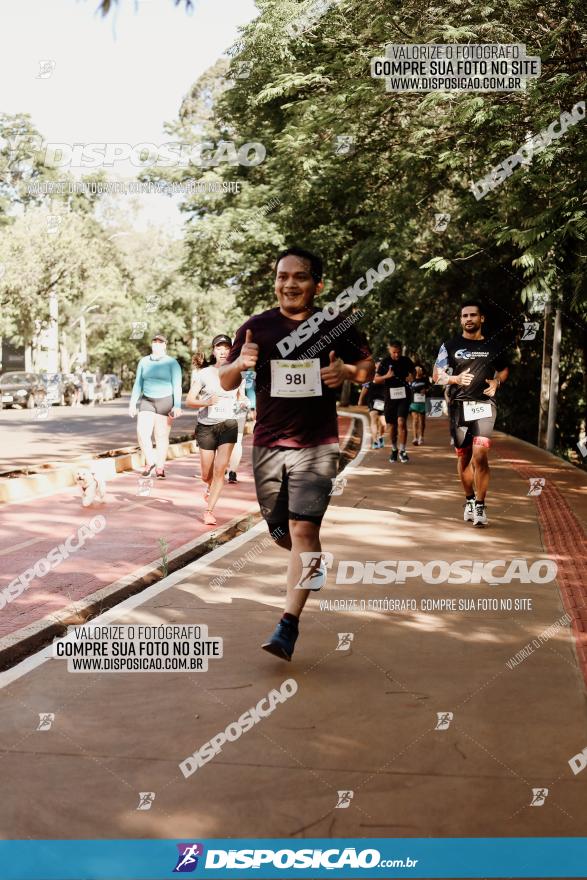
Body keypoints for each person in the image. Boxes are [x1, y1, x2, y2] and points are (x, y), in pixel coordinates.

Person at [219, 246, 374, 661]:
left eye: (300, 277)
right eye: (282, 276)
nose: (289, 284)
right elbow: (225, 381)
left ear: (316, 285)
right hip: (269, 444)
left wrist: (346, 373)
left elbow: (367, 368)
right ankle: (311, 564)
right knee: (279, 532)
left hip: (318, 445)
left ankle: (288, 623)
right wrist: (240, 364)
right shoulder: (255, 328)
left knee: (303, 530)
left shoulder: (336, 325)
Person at [433, 300, 509, 527]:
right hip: (459, 407)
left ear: (481, 319)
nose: (468, 319)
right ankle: (468, 499)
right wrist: (455, 378)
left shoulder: (494, 345)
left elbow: (504, 369)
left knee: (480, 455)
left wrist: (497, 381)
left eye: (473, 315)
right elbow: (436, 375)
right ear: (460, 320)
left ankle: (480, 504)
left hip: (484, 406)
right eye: (464, 316)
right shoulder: (450, 345)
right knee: (464, 457)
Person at [186, 334, 244, 525]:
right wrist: (207, 401)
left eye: (227, 348)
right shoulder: (204, 374)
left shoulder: (238, 373)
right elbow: (189, 400)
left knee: (220, 471)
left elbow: (240, 398)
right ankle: (209, 487)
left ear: (231, 351)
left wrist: (243, 403)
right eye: (219, 348)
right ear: (213, 351)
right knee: (206, 474)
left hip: (229, 424)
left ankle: (209, 511)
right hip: (206, 426)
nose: (223, 351)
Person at [129, 333, 183, 479]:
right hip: (147, 400)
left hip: (165, 401)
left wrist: (177, 405)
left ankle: (160, 467)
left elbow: (177, 386)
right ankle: (150, 461)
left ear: (165, 345)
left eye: (160, 342)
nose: (157, 344)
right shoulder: (144, 361)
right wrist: (132, 403)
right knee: (142, 432)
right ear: (152, 344)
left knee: (161, 436)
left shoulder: (172, 363)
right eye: (155, 342)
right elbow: (138, 383)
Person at [373, 340, 415, 463]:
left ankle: (402, 450)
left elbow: (413, 373)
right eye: (394, 352)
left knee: (401, 421)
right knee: (392, 426)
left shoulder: (406, 361)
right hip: (390, 397)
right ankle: (394, 449)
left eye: (399, 352)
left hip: (404, 395)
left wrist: (411, 377)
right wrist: (386, 376)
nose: (397, 355)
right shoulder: (385, 362)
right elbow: (376, 379)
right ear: (389, 350)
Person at [359, 361, 386, 448]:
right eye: (377, 365)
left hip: (383, 401)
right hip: (372, 400)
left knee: (383, 424)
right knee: (374, 419)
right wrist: (360, 400)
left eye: (380, 366)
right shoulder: (369, 376)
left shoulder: (386, 376)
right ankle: (374, 441)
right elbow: (365, 388)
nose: (378, 367)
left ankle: (381, 437)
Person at [409, 365, 431, 445]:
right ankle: (415, 438)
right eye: (417, 369)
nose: (419, 370)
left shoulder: (425, 379)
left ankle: (421, 436)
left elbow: (430, 388)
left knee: (422, 420)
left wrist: (426, 390)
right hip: (414, 402)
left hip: (423, 402)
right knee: (415, 420)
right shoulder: (412, 380)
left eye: (420, 369)